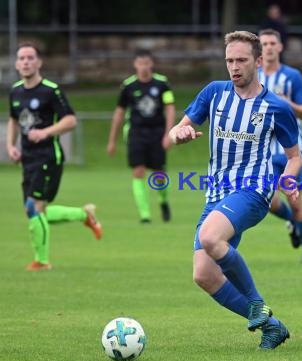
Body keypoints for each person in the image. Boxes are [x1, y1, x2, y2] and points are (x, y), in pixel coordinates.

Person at [168, 31, 302, 349]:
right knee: (204, 274)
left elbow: (294, 157)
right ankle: (273, 327)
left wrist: (289, 179)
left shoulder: (276, 107)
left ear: (258, 61)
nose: (234, 66)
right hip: (217, 194)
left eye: (241, 60)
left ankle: (257, 302)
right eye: (229, 60)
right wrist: (180, 134)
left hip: (254, 191)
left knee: (210, 238)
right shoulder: (214, 93)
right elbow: (176, 129)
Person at [6, 43, 102, 271]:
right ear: (17, 64)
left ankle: (42, 261)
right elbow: (13, 119)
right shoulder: (16, 91)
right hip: (27, 159)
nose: (26, 62)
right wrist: (11, 145)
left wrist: (46, 132)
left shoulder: (51, 90)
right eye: (22, 58)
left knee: (33, 208)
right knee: (36, 212)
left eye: (30, 58)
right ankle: (83, 215)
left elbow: (70, 120)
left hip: (49, 157)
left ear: (39, 63)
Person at [258, 28, 302, 263]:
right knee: (270, 202)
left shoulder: (291, 76)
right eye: (264, 44)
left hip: (293, 150)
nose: (269, 47)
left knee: (295, 202)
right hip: (264, 150)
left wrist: (286, 103)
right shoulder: (255, 76)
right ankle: (292, 222)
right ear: (259, 49)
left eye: (273, 43)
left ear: (280, 47)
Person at [107, 49, 176, 223]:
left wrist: (169, 133)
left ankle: (163, 200)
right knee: (138, 171)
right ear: (135, 64)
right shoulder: (128, 86)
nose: (143, 67)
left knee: (159, 173)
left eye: (146, 63)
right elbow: (119, 113)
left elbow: (170, 107)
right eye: (140, 63)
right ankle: (145, 215)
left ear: (151, 64)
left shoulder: (162, 84)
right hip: (136, 133)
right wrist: (112, 141)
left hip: (157, 132)